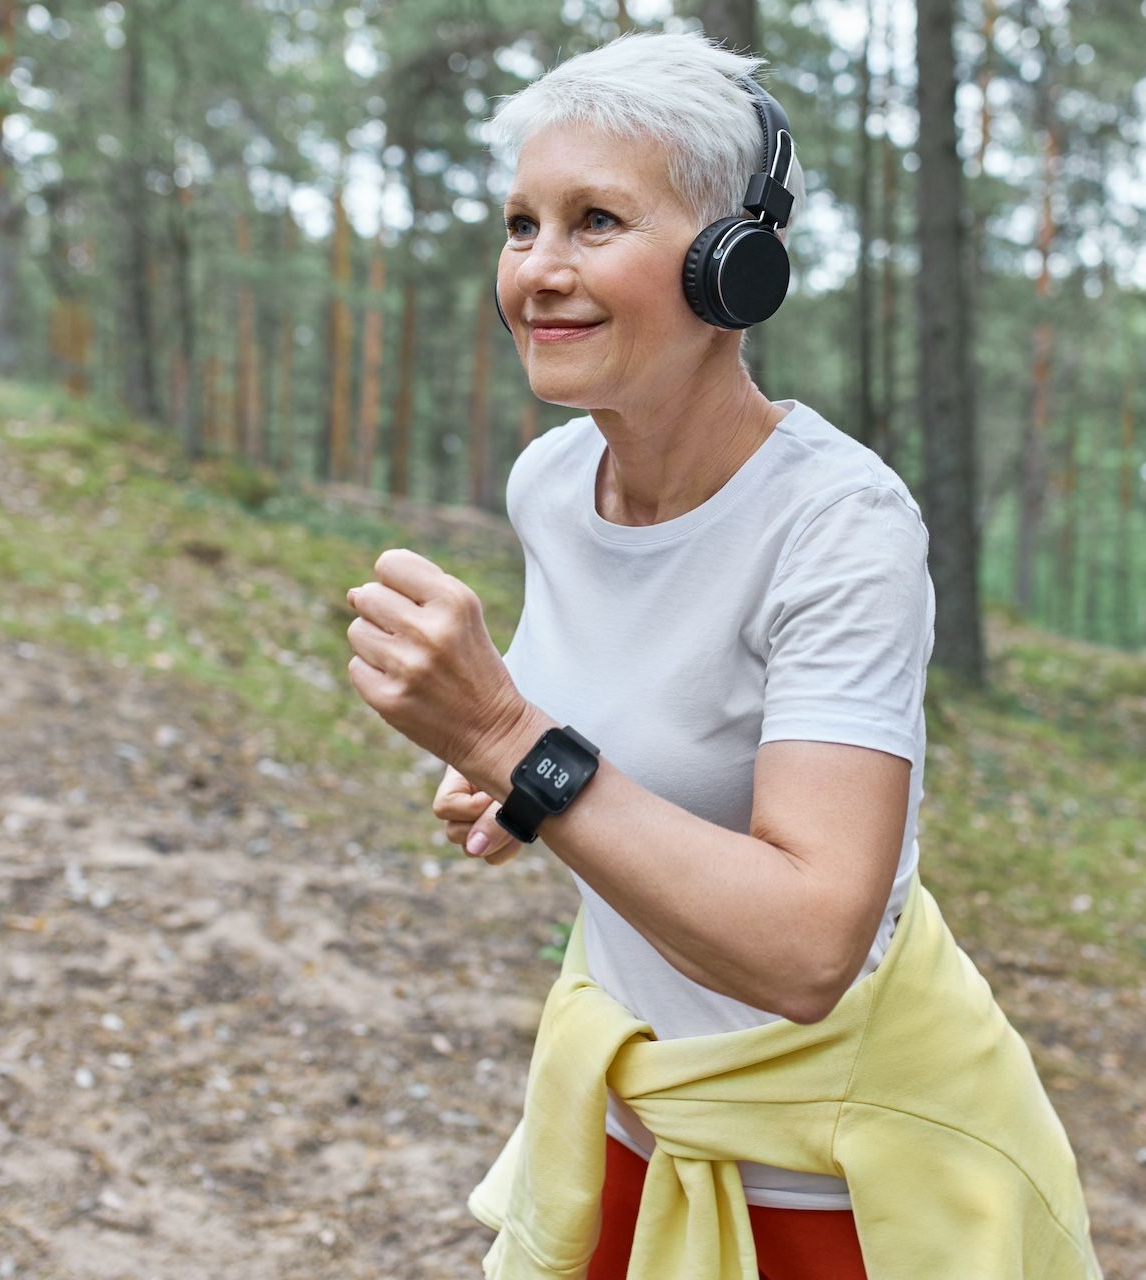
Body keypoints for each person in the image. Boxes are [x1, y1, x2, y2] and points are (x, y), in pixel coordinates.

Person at [350, 28, 1100, 1280]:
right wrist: (511, 787)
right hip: (627, 1112)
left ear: (731, 265)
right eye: (522, 224)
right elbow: (615, 740)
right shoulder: (553, 483)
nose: (539, 270)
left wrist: (507, 739)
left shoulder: (839, 527)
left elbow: (810, 945)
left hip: (834, 1167)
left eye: (595, 221)